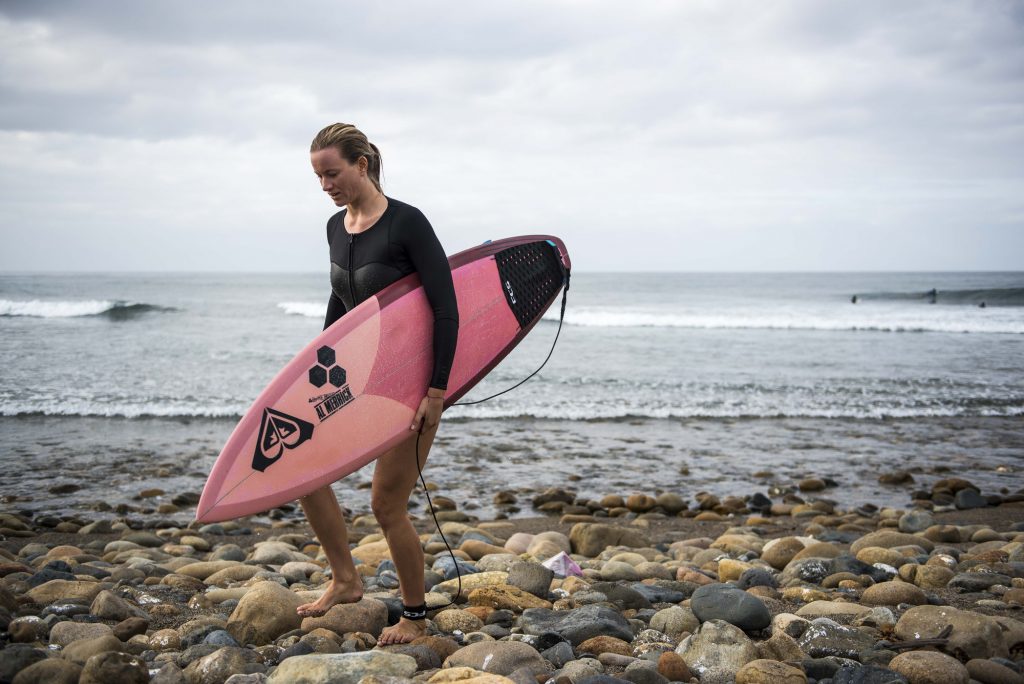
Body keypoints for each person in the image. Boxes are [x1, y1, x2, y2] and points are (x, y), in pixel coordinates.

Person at [296, 123, 459, 646]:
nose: (326, 184)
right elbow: (339, 305)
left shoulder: (407, 223)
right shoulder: (333, 228)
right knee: (303, 469)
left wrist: (436, 392)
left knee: (387, 505)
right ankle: (345, 580)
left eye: (333, 173)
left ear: (361, 164)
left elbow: (446, 308)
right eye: (318, 176)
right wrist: (310, 374)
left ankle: (414, 616)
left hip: (409, 389)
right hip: (353, 381)